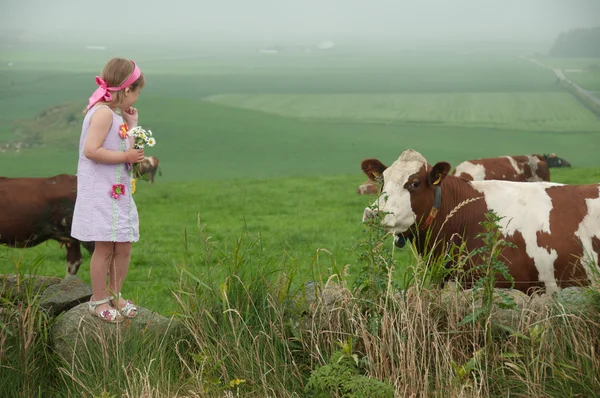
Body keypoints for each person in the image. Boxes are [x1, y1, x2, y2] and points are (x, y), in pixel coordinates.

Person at [71, 58, 146, 323]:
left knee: (123, 247)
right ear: (126, 90)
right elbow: (91, 151)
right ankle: (98, 300)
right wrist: (127, 156)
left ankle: (116, 295)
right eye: (136, 92)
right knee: (104, 248)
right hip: (102, 193)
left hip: (118, 192)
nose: (137, 97)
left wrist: (132, 123)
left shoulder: (114, 115)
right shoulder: (102, 113)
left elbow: (124, 146)